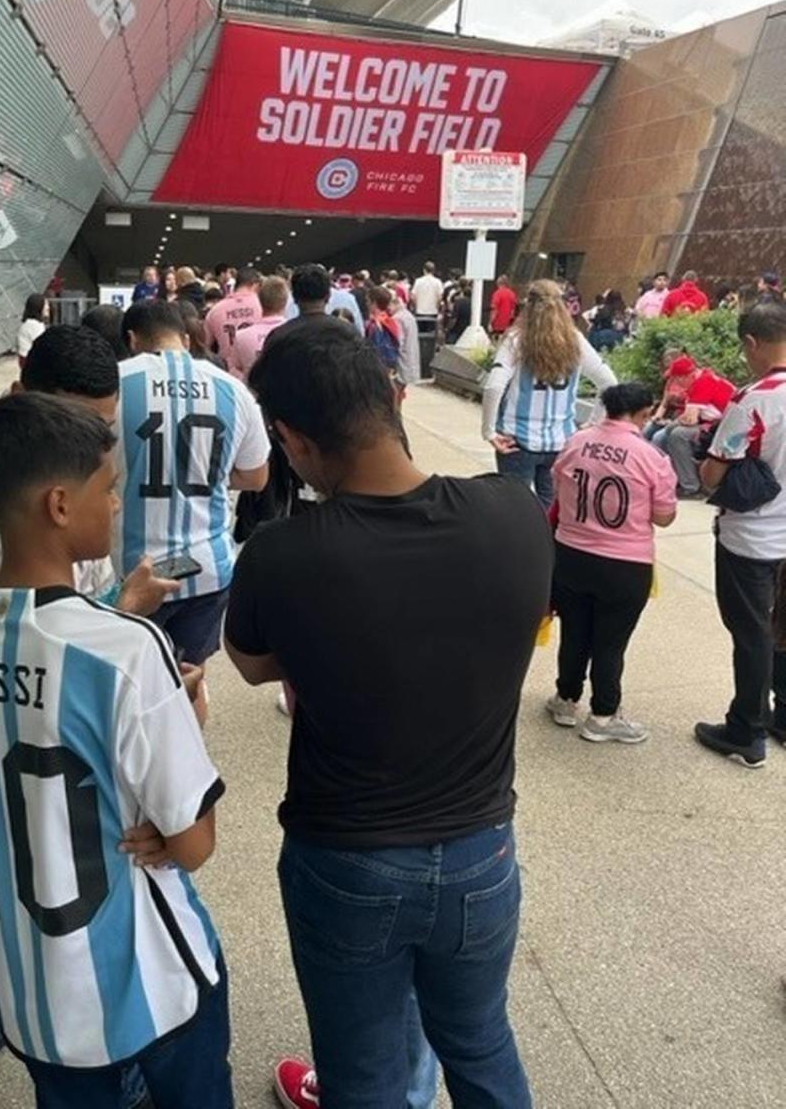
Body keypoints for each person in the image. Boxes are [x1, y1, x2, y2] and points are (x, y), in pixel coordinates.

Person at [219, 318, 551, 1109]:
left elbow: (254, 662)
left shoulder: (283, 555)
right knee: (479, 1039)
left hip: (348, 860)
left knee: (361, 1073)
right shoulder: (514, 514)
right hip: (483, 852)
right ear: (396, 396)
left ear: (292, 440)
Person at [0, 391, 232, 1107]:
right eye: (111, 488)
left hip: (35, 993)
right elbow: (192, 844)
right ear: (61, 505)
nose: (119, 502)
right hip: (150, 982)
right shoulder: (129, 653)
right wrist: (180, 711)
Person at [0, 324, 176, 611]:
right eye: (69, 428)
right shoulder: (21, 514)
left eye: (102, 429)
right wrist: (129, 609)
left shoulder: (34, 473)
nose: (90, 448)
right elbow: (42, 645)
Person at [117, 301, 270, 664]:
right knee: (189, 675)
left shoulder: (115, 384)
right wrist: (206, 473)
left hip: (134, 572)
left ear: (132, 339)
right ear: (185, 338)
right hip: (208, 566)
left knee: (134, 682)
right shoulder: (233, 390)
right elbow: (256, 477)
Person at [547, 382, 678, 743]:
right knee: (610, 641)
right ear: (644, 413)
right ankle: (603, 716)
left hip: (571, 553)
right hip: (625, 563)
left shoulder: (577, 442)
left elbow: (558, 487)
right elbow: (665, 516)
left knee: (574, 632)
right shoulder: (651, 457)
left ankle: (565, 699)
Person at [695, 301, 786, 767]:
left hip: (751, 539)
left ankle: (746, 730)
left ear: (752, 343)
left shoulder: (754, 399)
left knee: (751, 633)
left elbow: (713, 475)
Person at [482, 280, 618, 507]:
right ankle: (546, 543)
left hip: (516, 438)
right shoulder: (575, 340)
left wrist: (489, 432)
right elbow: (609, 382)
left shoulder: (516, 340)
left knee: (516, 509)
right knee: (552, 508)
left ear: (528, 306)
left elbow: (494, 386)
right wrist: (593, 422)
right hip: (560, 440)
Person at [645, 356, 735, 498]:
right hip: (715, 423)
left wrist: (673, 422)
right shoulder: (700, 379)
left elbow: (690, 419)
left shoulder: (702, 382)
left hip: (725, 426)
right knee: (665, 432)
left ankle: (691, 486)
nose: (674, 382)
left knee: (677, 434)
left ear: (685, 377)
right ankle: (673, 480)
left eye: (676, 378)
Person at [204, 265, 263, 373]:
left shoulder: (215, 311)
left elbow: (204, 346)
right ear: (256, 285)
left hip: (227, 372)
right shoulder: (262, 306)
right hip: (258, 372)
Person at [232, 275, 290, 382]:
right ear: (286, 301)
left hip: (252, 395)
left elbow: (233, 370)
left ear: (259, 299)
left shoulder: (241, 336)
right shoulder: (295, 334)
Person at [365, 286, 402, 377]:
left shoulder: (375, 324)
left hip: (376, 369)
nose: (366, 304)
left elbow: (374, 349)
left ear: (374, 303)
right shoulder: (389, 320)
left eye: (368, 301)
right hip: (389, 364)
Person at [391, 291, 422, 387]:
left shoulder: (397, 318)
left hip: (402, 359)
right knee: (402, 386)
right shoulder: (409, 316)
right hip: (410, 356)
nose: (388, 309)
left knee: (396, 387)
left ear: (395, 304)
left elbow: (399, 341)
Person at [16, 293, 48, 365]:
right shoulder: (34, 325)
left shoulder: (32, 323)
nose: (48, 307)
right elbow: (41, 346)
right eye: (46, 305)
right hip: (31, 360)